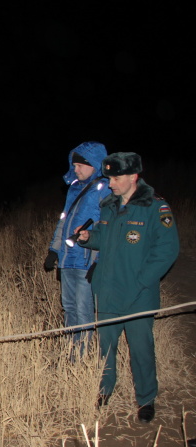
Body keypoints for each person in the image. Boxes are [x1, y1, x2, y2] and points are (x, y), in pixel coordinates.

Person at [77, 152, 179, 423]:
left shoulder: (155, 207)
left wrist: (142, 282)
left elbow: (167, 250)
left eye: (117, 178)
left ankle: (146, 399)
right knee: (105, 347)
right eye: (109, 177)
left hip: (138, 294)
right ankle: (103, 391)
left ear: (134, 177)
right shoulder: (109, 204)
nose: (111, 183)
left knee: (141, 348)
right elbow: (105, 239)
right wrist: (88, 238)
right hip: (107, 290)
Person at [44, 141, 110, 360]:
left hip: (85, 261)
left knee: (83, 311)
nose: (76, 169)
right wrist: (54, 250)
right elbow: (64, 221)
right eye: (74, 165)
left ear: (94, 164)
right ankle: (70, 353)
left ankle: (81, 359)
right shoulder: (74, 189)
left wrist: (98, 261)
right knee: (69, 308)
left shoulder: (105, 189)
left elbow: (107, 229)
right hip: (67, 259)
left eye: (81, 165)